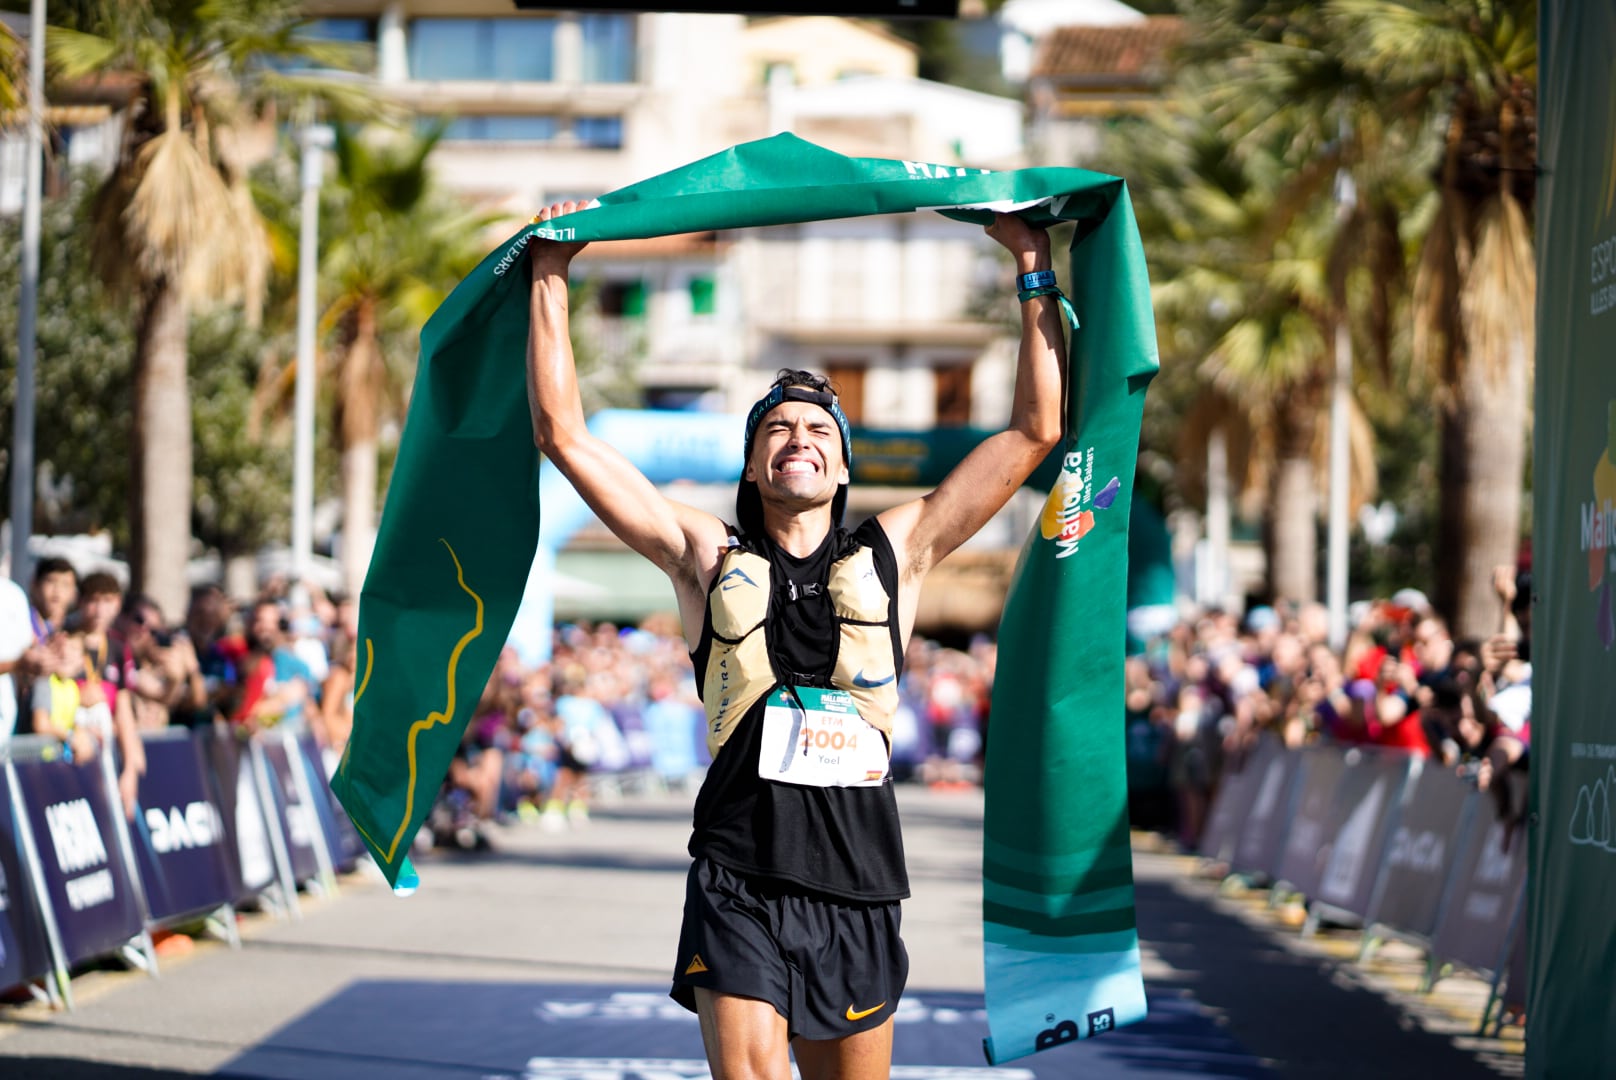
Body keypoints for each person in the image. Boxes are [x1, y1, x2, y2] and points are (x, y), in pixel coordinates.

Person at [525, 199, 1064, 1080]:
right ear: (751, 464)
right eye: (777, 429)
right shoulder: (705, 555)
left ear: (843, 466)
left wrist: (1032, 262)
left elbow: (1033, 432)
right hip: (737, 876)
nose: (799, 439)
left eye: (819, 431)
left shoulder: (900, 549)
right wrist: (552, 270)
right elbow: (566, 437)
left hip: (857, 884)